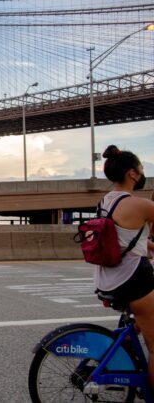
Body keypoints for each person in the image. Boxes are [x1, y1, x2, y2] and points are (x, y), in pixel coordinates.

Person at [95, 145, 154, 388]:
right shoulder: (140, 205)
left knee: (144, 320)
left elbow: (124, 240)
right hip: (133, 279)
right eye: (141, 169)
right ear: (132, 173)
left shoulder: (104, 202)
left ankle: (126, 354)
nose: (142, 173)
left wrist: (149, 247)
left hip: (108, 278)